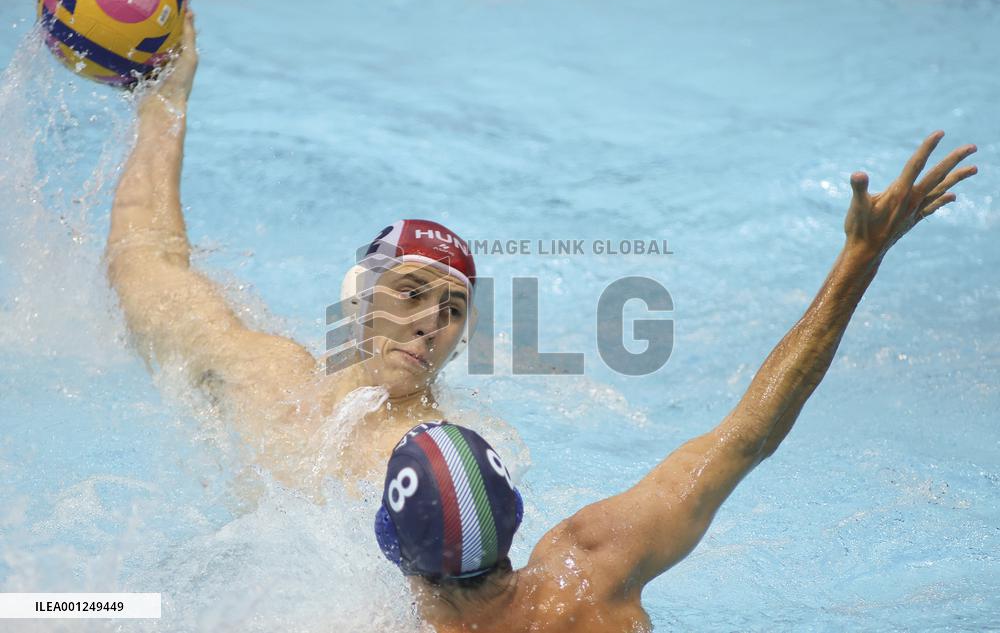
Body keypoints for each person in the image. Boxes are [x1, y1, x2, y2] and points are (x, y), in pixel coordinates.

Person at [374, 133, 978, 631]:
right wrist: (860, 256)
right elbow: (749, 435)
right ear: (514, 513)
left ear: (392, 547)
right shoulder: (593, 568)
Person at [103, 11, 494, 488]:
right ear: (359, 296)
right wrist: (164, 103)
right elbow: (143, 261)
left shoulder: (449, 465)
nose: (430, 324)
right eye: (411, 293)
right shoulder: (265, 377)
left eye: (452, 311)